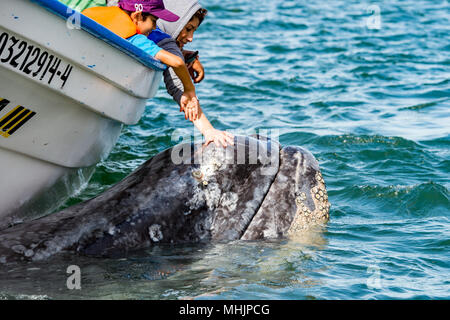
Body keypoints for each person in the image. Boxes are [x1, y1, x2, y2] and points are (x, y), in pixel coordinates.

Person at [82, 0, 200, 120]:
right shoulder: (136, 40)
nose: (154, 28)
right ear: (137, 15)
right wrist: (189, 90)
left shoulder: (92, 15)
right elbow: (177, 62)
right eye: (153, 21)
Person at [148, 0, 234, 148]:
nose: (190, 38)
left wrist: (187, 56)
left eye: (193, 31)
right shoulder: (165, 41)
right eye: (188, 29)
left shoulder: (136, 18)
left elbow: (178, 86)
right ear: (174, 22)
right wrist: (209, 131)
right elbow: (184, 91)